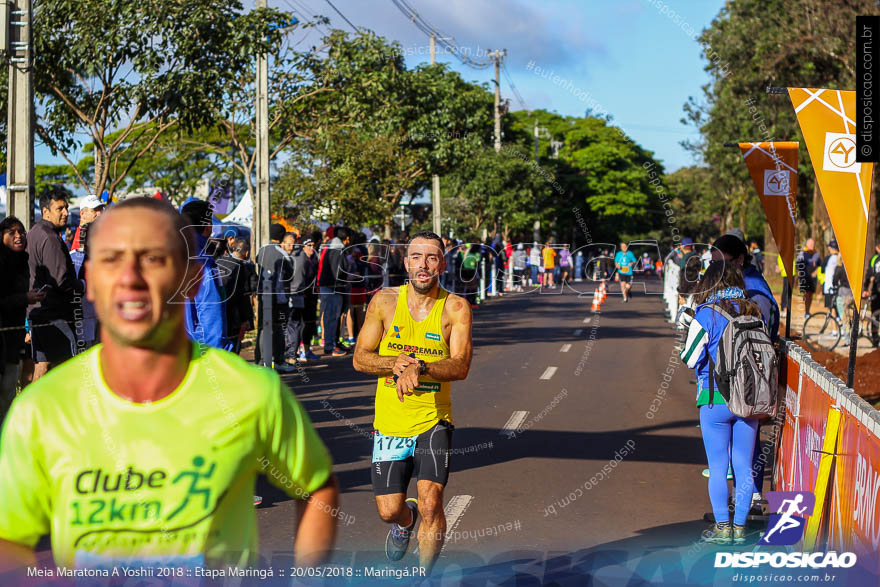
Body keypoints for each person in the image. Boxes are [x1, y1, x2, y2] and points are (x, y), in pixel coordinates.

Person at [0, 197, 338, 574]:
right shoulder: (40, 408)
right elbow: (10, 536)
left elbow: (317, 489)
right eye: (112, 260)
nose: (131, 278)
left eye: (154, 259)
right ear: (91, 281)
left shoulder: (255, 392)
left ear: (191, 279)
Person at [352, 230, 473, 573]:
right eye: (417, 257)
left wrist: (422, 367)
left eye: (432, 257)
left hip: (434, 420)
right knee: (388, 510)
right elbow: (360, 358)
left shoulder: (455, 308)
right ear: (405, 263)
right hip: (390, 423)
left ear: (442, 264)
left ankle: (424, 577)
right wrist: (394, 363)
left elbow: (461, 365)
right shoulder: (385, 301)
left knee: (432, 502)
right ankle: (405, 523)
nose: (424, 265)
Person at [680, 260, 761, 545]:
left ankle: (722, 528)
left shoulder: (706, 315)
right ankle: (740, 529)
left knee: (718, 466)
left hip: (715, 398)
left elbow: (689, 358)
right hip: (750, 399)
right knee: (744, 465)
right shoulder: (752, 310)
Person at [27, 190, 84, 379]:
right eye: (60, 208)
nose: (66, 212)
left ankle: (31, 406)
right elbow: (62, 281)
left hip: (39, 313)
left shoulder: (34, 232)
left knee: (42, 366)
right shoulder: (50, 238)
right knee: (66, 369)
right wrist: (83, 285)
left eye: (66, 207)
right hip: (55, 315)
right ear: (45, 212)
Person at [0, 218, 45, 423]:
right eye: (12, 232)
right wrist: (24, 298)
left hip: (15, 339)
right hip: (3, 338)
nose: (18, 235)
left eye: (21, 231)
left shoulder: (24, 261)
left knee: (9, 394)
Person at [180, 200, 226, 349]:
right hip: (199, 351)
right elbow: (209, 309)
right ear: (208, 226)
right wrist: (214, 356)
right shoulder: (203, 261)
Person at [255, 224, 296, 372]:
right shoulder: (283, 254)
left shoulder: (262, 250)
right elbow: (290, 275)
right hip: (279, 298)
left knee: (263, 328)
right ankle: (278, 360)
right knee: (278, 328)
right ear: (282, 237)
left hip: (262, 295)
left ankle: (261, 361)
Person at [317, 227, 351, 356]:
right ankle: (330, 346)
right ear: (346, 238)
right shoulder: (337, 249)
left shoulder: (332, 247)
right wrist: (347, 277)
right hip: (332, 288)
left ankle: (334, 343)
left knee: (333, 317)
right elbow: (338, 270)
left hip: (332, 287)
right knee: (331, 317)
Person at [217, 237, 254, 355]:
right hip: (233, 314)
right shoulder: (240, 268)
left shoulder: (218, 261)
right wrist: (245, 319)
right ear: (247, 253)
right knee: (232, 348)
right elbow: (241, 295)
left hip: (217, 311)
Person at [796, 239, 821, 318]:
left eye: (813, 244)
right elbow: (798, 265)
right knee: (806, 294)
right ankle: (805, 311)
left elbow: (820, 266)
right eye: (810, 244)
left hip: (813, 279)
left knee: (810, 295)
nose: (812, 246)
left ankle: (807, 311)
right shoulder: (802, 253)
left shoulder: (816, 255)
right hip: (805, 278)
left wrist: (816, 272)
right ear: (807, 244)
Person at [864, 243, 880, 346]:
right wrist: (866, 288)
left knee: (875, 315)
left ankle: (875, 338)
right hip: (876, 291)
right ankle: (875, 339)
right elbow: (869, 274)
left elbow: (869, 274)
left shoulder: (874, 259)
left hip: (876, 291)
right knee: (874, 315)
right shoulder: (874, 259)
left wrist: (865, 287)